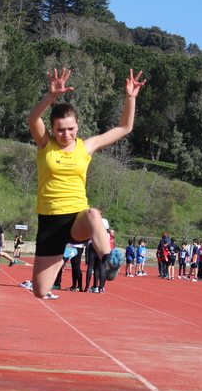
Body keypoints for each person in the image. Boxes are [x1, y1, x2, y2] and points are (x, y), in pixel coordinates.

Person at [26, 67, 143, 299]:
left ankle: (109, 260)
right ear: (52, 128)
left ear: (78, 125)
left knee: (92, 214)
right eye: (60, 130)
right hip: (49, 222)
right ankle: (61, 254)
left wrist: (130, 99)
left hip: (76, 218)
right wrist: (51, 96)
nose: (66, 134)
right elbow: (33, 118)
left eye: (70, 129)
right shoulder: (45, 145)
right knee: (40, 291)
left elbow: (124, 128)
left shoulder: (86, 146)